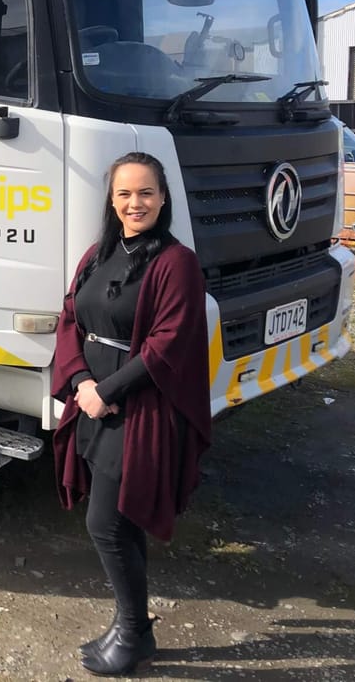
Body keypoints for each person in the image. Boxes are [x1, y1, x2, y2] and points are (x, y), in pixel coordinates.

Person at [51, 152, 211, 676]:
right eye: (124, 193)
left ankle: (136, 631)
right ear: (111, 199)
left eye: (145, 192)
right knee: (122, 516)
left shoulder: (176, 262)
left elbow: (169, 343)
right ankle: (128, 624)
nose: (134, 202)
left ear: (164, 198)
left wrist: (109, 389)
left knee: (107, 524)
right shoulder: (98, 255)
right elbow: (71, 317)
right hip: (95, 398)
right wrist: (82, 383)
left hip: (138, 408)